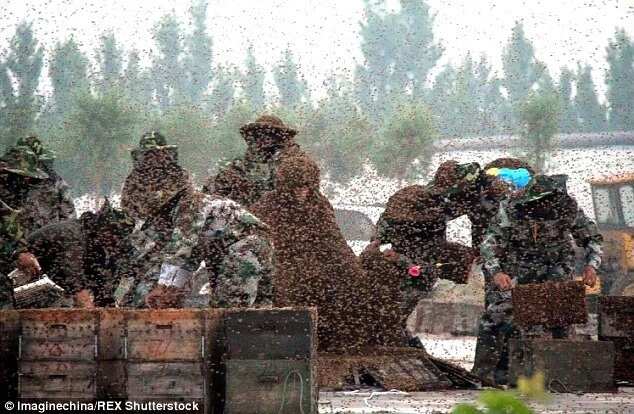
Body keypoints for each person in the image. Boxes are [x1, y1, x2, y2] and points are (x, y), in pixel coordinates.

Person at [472, 174, 603, 385]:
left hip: (557, 267)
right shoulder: (511, 209)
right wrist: (496, 272)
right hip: (519, 267)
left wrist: (591, 266)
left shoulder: (567, 209)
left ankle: (558, 376)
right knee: (497, 315)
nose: (542, 206)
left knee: (560, 316)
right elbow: (488, 244)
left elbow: (592, 239)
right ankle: (482, 374)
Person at [251, 154, 369, 351]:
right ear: (285, 184)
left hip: (312, 268)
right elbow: (256, 245)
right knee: (285, 295)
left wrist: (356, 273)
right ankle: (286, 345)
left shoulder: (319, 205)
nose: (301, 192)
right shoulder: (266, 206)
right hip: (277, 266)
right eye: (296, 186)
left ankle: (334, 342)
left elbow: (335, 242)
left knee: (347, 288)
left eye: (305, 186)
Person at [115, 179, 274, 309]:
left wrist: (161, 287)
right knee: (235, 309)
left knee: (230, 309)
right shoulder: (195, 216)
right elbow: (189, 261)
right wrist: (171, 290)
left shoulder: (190, 205)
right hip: (236, 250)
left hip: (247, 248)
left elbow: (179, 250)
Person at [26, 200, 135, 308]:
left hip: (48, 280)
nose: (116, 241)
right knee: (60, 300)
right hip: (22, 279)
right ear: (104, 227)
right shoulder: (73, 235)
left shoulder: (96, 243)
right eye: (115, 235)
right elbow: (74, 279)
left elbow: (101, 282)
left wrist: (106, 303)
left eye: (120, 237)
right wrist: (90, 311)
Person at [204, 115, 307, 208]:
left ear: (280, 136)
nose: (264, 138)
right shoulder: (243, 163)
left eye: (270, 134)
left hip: (282, 214)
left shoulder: (294, 160)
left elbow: (300, 189)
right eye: (259, 134)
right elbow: (215, 189)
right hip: (248, 215)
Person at [121, 131, 192, 224]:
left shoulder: (178, 175)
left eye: (156, 153)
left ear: (164, 152)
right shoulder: (134, 178)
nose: (151, 157)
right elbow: (127, 209)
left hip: (174, 230)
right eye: (147, 153)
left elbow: (189, 204)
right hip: (144, 231)